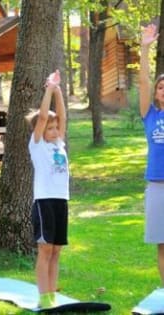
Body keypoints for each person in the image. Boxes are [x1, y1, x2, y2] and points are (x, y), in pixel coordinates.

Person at [27, 70, 68, 308]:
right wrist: (48, 90)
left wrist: (59, 91)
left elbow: (61, 116)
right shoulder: (38, 145)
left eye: (55, 128)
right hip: (44, 202)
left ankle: (52, 295)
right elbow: (43, 117)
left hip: (61, 201)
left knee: (57, 251)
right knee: (46, 249)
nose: (53, 130)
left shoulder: (58, 143)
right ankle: (44, 298)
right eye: (49, 128)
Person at [139, 23, 164, 287]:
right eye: (161, 87)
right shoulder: (150, 115)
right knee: (162, 245)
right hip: (157, 185)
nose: (163, 89)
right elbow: (143, 80)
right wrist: (145, 49)